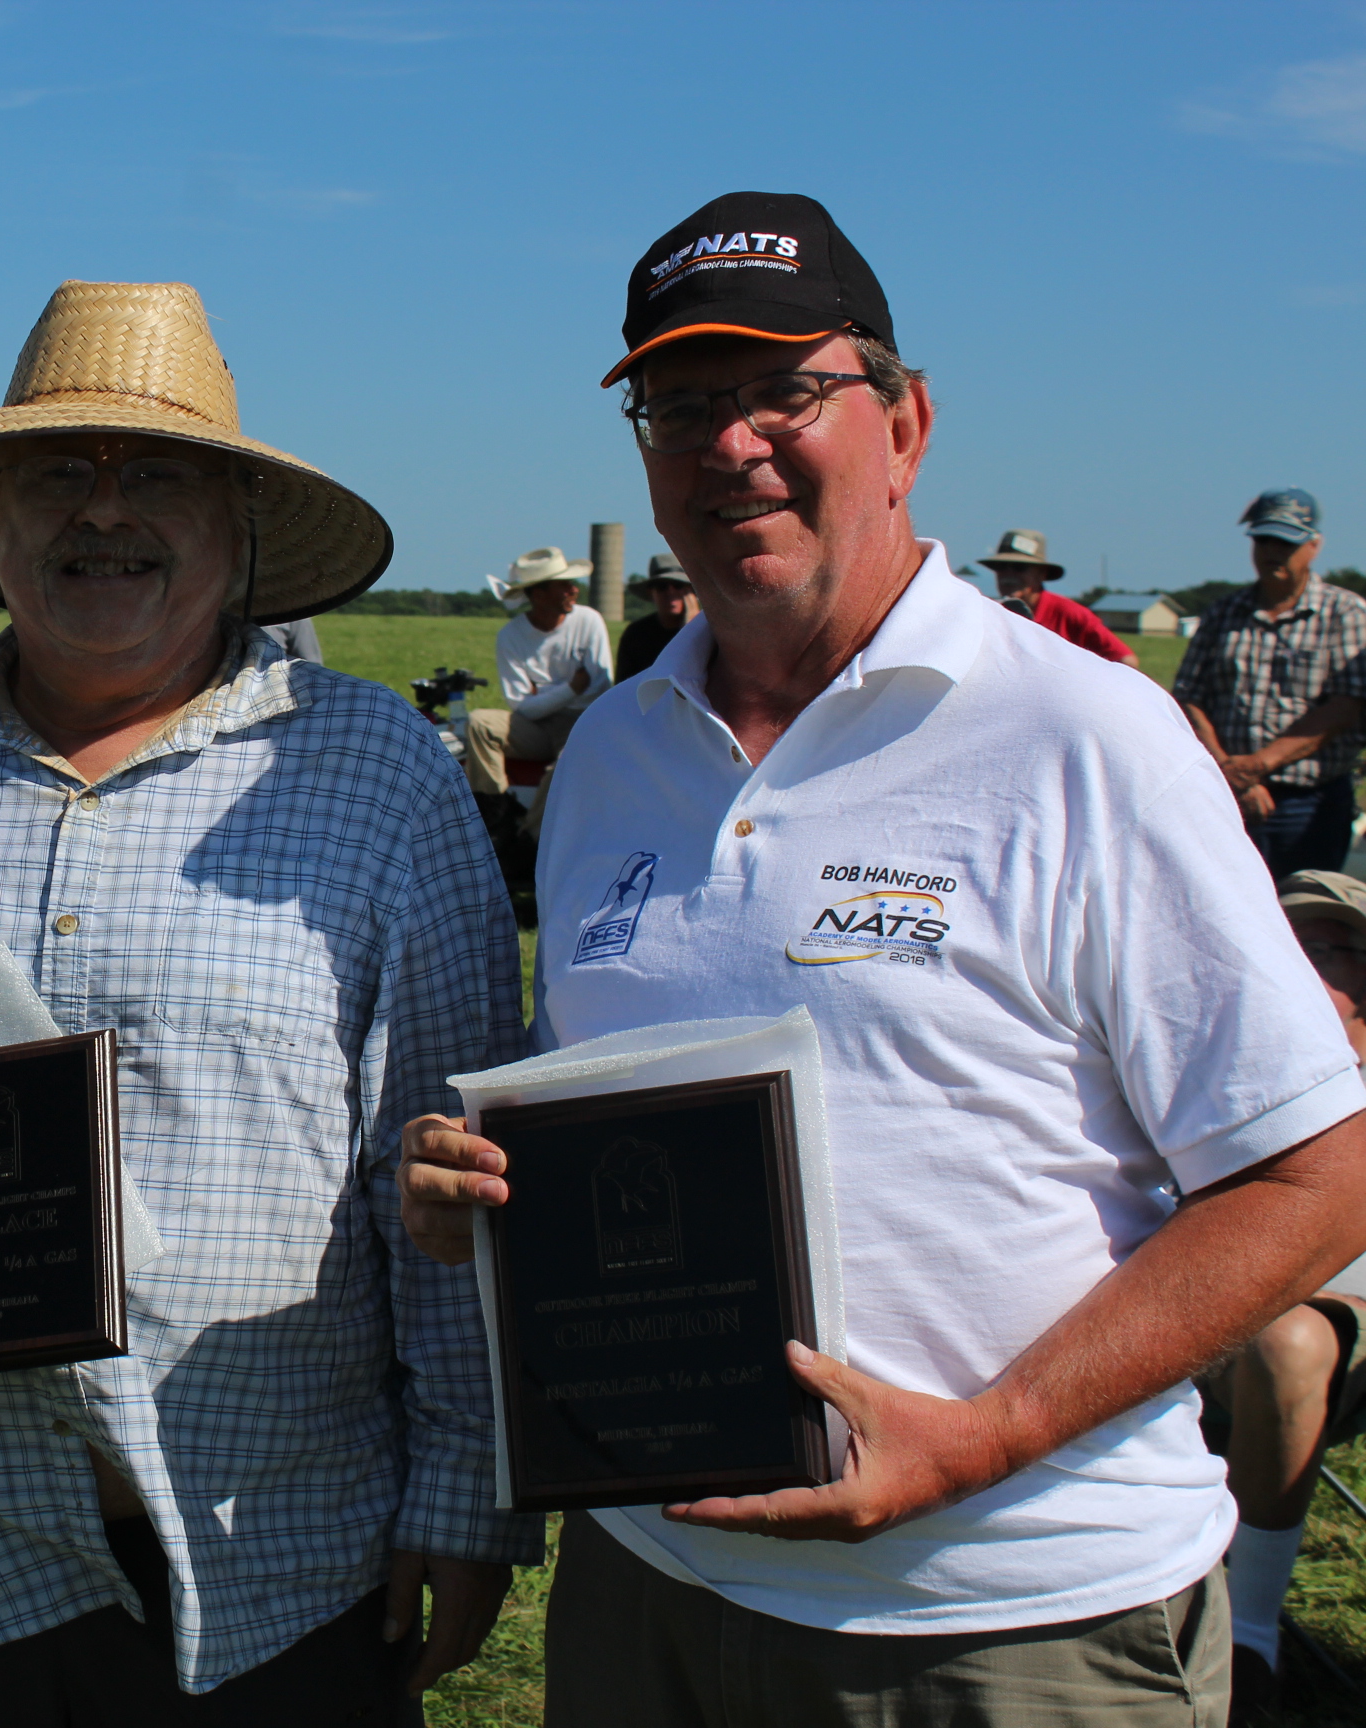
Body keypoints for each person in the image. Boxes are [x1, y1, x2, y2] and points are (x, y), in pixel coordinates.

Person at [398, 190, 1366, 1725]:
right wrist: (485, 1192)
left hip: (1006, 1621)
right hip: (648, 1588)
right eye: (681, 405)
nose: (730, 444)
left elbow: (1317, 1174)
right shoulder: (613, 757)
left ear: (904, 424)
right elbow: (603, 1105)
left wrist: (990, 1434)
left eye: (785, 391)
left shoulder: (1084, 738)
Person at [0, 279, 531, 1724]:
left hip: (280, 1565)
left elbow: (440, 1157)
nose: (104, 513)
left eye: (160, 476)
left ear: (240, 527)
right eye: (58, 472)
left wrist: (463, 1486)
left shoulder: (377, 773)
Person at [1200, 868, 1366, 1723]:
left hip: (1328, 1324)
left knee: (1287, 1343)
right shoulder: (1212, 1067)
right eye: (1296, 945)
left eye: (1336, 948)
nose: (1311, 964)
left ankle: (1250, 1636)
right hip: (1199, 1315)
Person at [1174, 489, 1366, 876]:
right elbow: (1188, 698)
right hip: (1223, 791)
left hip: (1308, 800)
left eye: (1285, 543)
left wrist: (1257, 766)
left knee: (1302, 904)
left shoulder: (1345, 613)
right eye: (1263, 541)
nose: (1272, 552)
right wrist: (1230, 772)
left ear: (1314, 546)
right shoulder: (1224, 612)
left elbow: (1345, 706)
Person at [459, 546, 613, 800]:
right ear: (539, 595)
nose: (574, 590)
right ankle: (493, 805)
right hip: (534, 728)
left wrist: (540, 694)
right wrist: (571, 688)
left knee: (565, 767)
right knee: (479, 722)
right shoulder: (510, 635)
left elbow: (597, 688)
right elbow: (522, 707)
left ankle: (531, 825)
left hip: (580, 722)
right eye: (564, 585)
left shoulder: (589, 621)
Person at [975, 529, 1139, 666]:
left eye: (1019, 567)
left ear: (1041, 573)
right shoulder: (988, 613)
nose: (1008, 574)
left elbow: (1126, 661)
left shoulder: (1070, 614)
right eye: (1001, 567)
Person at [612, 552, 699, 683]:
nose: (671, 592)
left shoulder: (710, 632)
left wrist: (693, 628)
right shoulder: (636, 634)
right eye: (662, 586)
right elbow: (623, 684)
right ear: (651, 593)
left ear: (691, 591)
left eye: (678, 585)